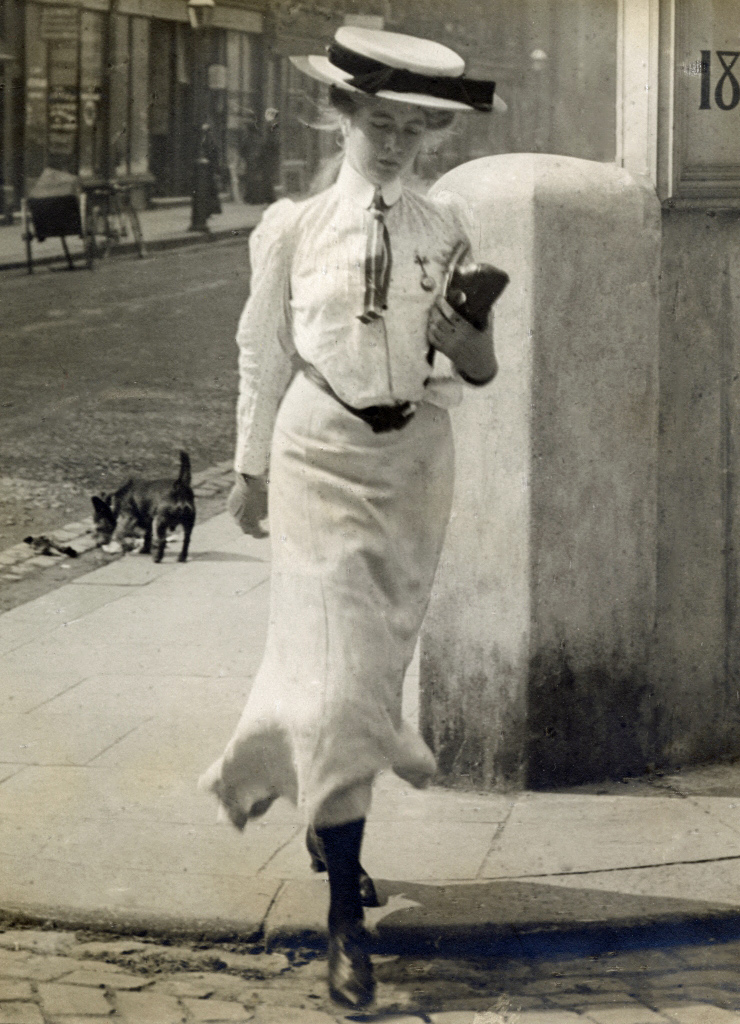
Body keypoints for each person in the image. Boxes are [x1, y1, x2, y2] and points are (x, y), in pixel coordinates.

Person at [200, 26, 503, 1010]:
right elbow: (260, 352)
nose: (392, 143)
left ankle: (334, 822)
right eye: (377, 122)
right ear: (340, 115)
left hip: (412, 466)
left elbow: (478, 370)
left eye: (411, 130)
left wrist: (464, 342)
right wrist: (246, 468)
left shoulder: (445, 227)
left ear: (428, 137)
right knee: (334, 685)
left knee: (368, 675)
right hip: (314, 456)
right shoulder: (290, 228)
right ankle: (342, 918)